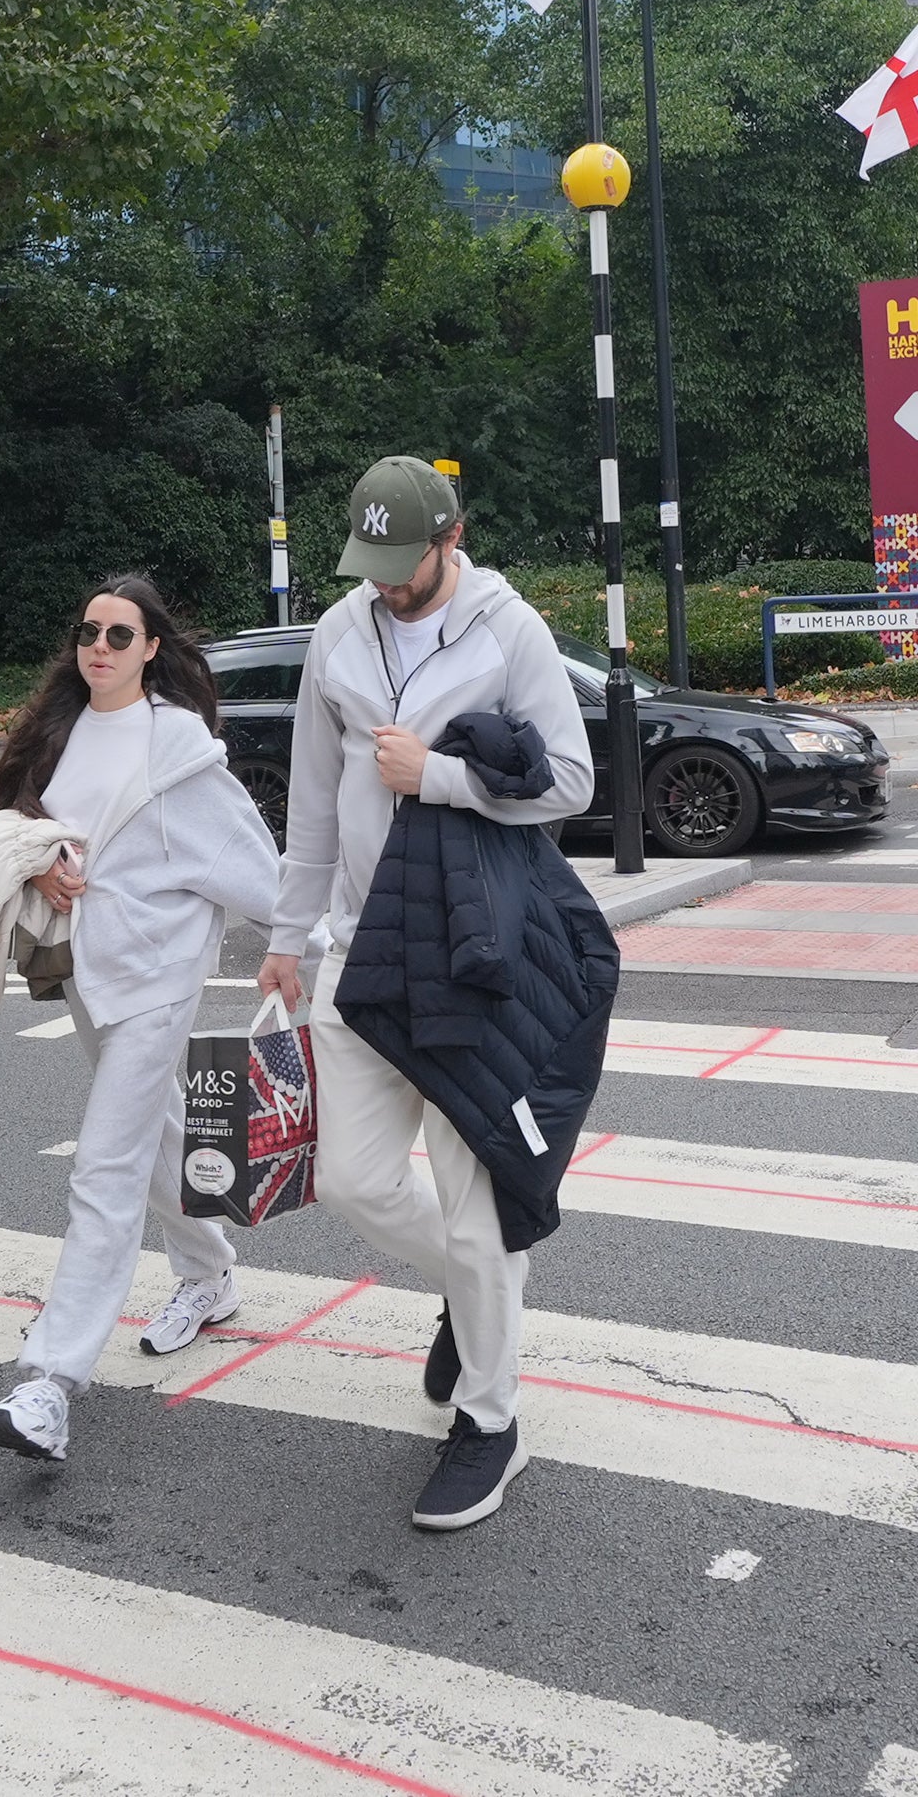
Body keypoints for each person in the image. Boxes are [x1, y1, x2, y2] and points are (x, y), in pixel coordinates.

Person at [264, 457, 593, 1530]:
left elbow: (574, 782)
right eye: (369, 565)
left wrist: (440, 776)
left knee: (477, 1195)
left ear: (451, 535)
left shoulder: (512, 631)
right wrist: (284, 935)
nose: (384, 585)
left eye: (400, 564)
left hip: (467, 952)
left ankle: (491, 1419)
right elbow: (313, 797)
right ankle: (469, 1289)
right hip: (359, 950)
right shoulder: (338, 630)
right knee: (350, 1178)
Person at [0, 574, 283, 1465]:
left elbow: (251, 864)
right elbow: (15, 827)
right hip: (89, 974)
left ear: (154, 648)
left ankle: (48, 1382)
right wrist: (40, 868)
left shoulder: (176, 747)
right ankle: (210, 1273)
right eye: (89, 632)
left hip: (157, 979)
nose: (100, 648)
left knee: (104, 1167)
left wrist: (309, 946)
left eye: (120, 635)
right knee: (156, 1139)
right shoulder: (60, 735)